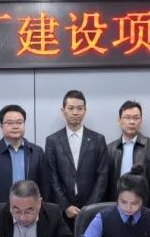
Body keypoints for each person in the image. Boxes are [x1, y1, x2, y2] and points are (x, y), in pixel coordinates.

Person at [44, 90, 109, 227]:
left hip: (92, 210)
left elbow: (102, 176)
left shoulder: (98, 139)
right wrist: (65, 206)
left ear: (85, 111)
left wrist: (89, 208)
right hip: (62, 211)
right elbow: (52, 176)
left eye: (80, 108)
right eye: (71, 108)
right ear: (63, 111)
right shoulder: (52, 141)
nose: (75, 113)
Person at [0, 104, 50, 211]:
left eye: (19, 122)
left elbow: (45, 189)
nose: (15, 126)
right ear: (1, 126)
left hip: (31, 213)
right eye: (9, 123)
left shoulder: (36, 152)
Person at [106, 100, 150, 213]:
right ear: (119, 120)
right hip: (117, 209)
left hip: (144, 209)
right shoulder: (110, 149)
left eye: (136, 118)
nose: (132, 121)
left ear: (141, 120)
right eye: (127, 117)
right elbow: (106, 185)